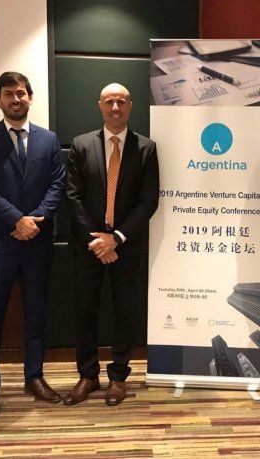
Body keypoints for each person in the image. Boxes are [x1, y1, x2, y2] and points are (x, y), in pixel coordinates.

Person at [0, 71, 66, 418]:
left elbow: (57, 184)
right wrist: (16, 220)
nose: (15, 99)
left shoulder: (49, 140)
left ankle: (34, 377)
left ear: (30, 97)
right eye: (8, 93)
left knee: (36, 314)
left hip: (36, 242)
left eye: (21, 93)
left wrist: (33, 221)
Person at [64, 83, 159, 407]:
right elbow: (72, 196)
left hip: (126, 246)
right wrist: (97, 240)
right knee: (85, 311)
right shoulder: (81, 145)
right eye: (109, 102)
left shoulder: (146, 148)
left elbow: (148, 200)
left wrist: (116, 238)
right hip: (88, 245)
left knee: (125, 312)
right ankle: (88, 375)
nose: (115, 108)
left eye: (121, 102)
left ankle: (118, 376)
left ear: (130, 105)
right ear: (100, 105)